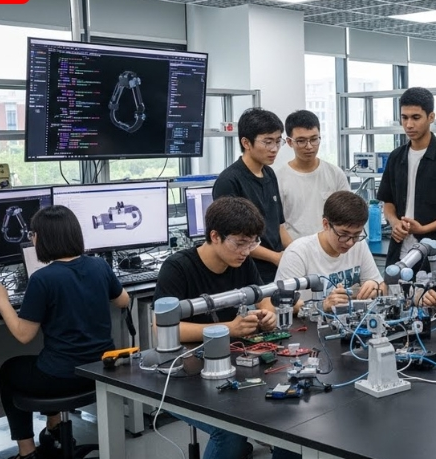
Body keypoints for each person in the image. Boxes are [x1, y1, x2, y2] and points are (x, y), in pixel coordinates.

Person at [0, 205, 130, 459]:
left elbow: (23, 335)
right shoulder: (99, 266)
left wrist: (2, 301)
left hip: (62, 377)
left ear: (41, 238)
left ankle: (27, 452)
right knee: (45, 356)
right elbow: (124, 301)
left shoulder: (43, 279)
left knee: (9, 370)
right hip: (99, 371)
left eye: (33, 234)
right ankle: (54, 427)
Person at [153, 197, 278, 459]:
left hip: (231, 366)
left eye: (252, 242)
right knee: (228, 432)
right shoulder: (178, 267)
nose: (246, 251)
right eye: (240, 243)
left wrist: (268, 315)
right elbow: (160, 329)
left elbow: (264, 298)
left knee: (285, 409)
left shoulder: (243, 263)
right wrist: (229, 328)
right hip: (183, 373)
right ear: (215, 236)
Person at [377, 87, 436, 269]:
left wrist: (424, 229)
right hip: (399, 252)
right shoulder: (396, 157)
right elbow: (388, 202)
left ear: (431, 117)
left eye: (416, 117)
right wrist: (395, 222)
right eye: (404, 118)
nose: (409, 125)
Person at [213, 107, 293, 282]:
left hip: (276, 270)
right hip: (247, 272)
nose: (274, 149)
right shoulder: (229, 181)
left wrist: (297, 251)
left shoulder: (270, 174)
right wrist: (276, 257)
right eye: (267, 142)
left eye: (278, 141)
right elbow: (233, 240)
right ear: (246, 143)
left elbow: (278, 226)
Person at [277, 191, 383, 313]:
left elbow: (383, 287)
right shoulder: (298, 253)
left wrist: (375, 286)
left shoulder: (359, 245)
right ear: (326, 224)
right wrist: (321, 306)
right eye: (343, 234)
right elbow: (282, 303)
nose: (350, 242)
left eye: (357, 235)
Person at [276, 109, 351, 239]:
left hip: (331, 247)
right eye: (301, 141)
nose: (309, 146)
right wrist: (294, 253)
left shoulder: (335, 174)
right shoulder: (279, 178)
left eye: (314, 139)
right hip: (294, 249)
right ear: (289, 142)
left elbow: (348, 215)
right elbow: (276, 225)